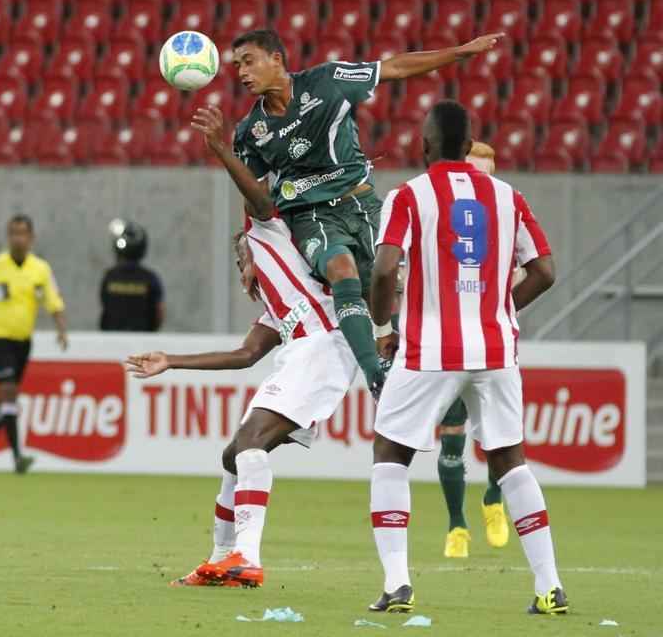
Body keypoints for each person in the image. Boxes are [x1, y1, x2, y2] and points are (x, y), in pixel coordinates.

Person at [193, 30, 503, 402]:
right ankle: (377, 377)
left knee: (395, 289)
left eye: (249, 61)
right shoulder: (251, 132)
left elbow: (395, 68)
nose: (242, 72)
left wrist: (459, 52)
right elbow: (257, 202)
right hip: (310, 217)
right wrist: (224, 156)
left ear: (277, 59)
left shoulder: (328, 81)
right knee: (341, 269)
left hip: (362, 204)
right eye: (237, 65)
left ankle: (440, 392)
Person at [366, 101, 567, 615]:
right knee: (510, 463)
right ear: (467, 144)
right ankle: (549, 587)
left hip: (428, 348)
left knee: (391, 456)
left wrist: (384, 326)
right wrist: (499, 308)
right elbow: (544, 270)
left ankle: (397, 584)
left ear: (426, 145)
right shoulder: (509, 197)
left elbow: (386, 267)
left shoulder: (409, 196)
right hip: (495, 348)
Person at [126, 210, 358, 588]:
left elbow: (259, 204)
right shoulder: (277, 307)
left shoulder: (301, 280)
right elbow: (244, 355)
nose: (241, 271)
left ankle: (246, 557)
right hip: (302, 357)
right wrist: (171, 362)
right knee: (233, 454)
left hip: (322, 350)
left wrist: (226, 151)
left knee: (250, 445)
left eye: (242, 259)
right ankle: (220, 561)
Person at [433, 141, 514, 559]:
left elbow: (528, 270)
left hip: (492, 342)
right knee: (451, 440)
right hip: (447, 343)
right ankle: (456, 526)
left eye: (485, 175)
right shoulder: (438, 217)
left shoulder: (505, 216)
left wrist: (495, 304)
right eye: (470, 174)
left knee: (503, 437)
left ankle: (493, 499)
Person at [0, 214, 68, 474]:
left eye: (22, 233)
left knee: (2, 401)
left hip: (23, 342)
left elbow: (53, 300)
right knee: (9, 391)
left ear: (31, 238)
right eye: (13, 233)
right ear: (8, 236)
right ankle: (18, 456)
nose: (17, 238)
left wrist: (61, 329)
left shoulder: (40, 269)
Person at [99, 219, 165, 332]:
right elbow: (159, 311)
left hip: (111, 337)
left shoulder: (109, 276)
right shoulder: (150, 278)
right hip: (144, 338)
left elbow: (104, 304)